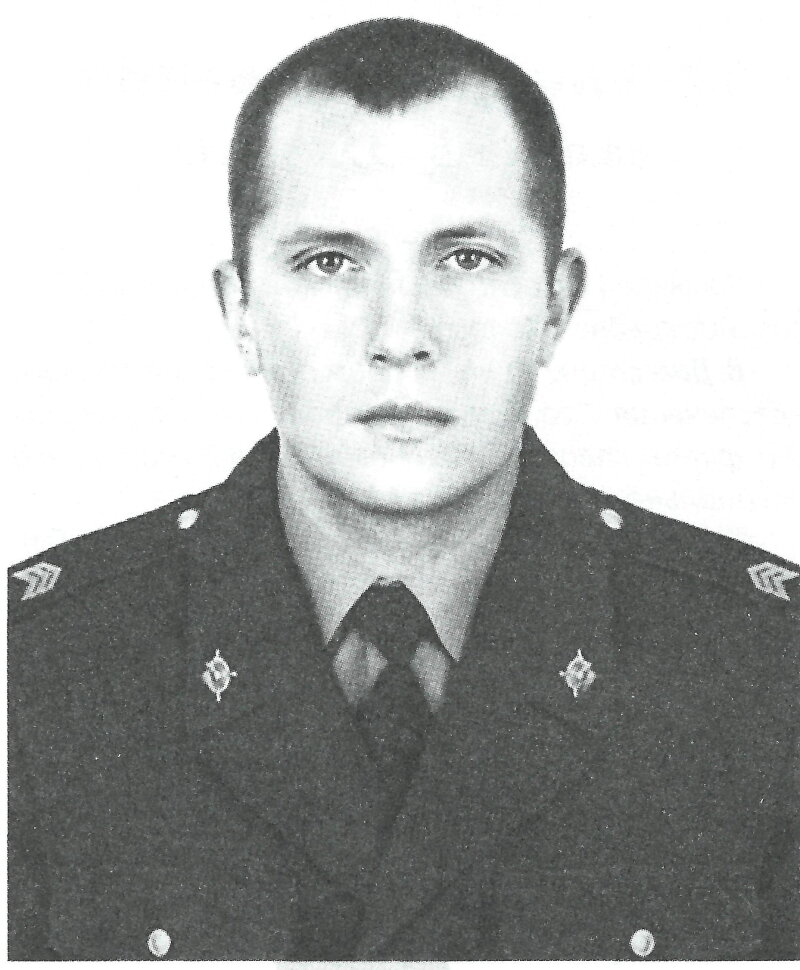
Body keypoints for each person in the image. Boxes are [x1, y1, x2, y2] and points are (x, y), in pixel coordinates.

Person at [7, 17, 798, 961]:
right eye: (329, 262)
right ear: (241, 310)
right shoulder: (37, 674)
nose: (400, 336)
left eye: (466, 258)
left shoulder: (767, 674)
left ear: (555, 304)